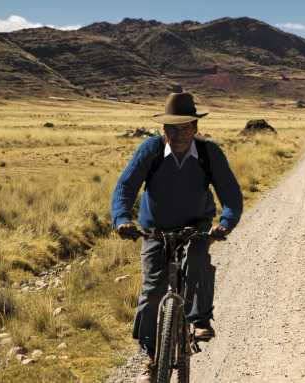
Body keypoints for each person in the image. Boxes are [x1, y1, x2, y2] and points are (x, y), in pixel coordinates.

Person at [110, 92, 243, 382]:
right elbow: (125, 187)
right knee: (152, 291)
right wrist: (122, 219)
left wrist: (225, 223)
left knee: (196, 259)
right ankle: (151, 356)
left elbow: (231, 195)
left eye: (185, 128)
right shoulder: (151, 150)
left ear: (195, 128)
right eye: (171, 128)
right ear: (163, 130)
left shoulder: (209, 153)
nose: (178, 135)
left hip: (195, 227)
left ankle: (199, 319)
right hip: (154, 230)